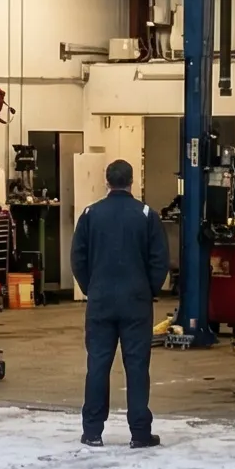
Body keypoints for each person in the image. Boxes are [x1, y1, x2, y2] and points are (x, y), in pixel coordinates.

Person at [69, 159, 170, 448]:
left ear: (107, 181)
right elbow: (159, 259)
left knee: (98, 363)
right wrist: (147, 289)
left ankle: (92, 431)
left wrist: (92, 288)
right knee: (137, 366)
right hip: (136, 303)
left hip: (100, 301)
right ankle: (139, 433)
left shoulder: (90, 214)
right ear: (132, 181)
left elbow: (78, 258)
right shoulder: (147, 215)